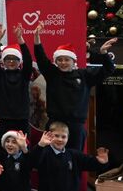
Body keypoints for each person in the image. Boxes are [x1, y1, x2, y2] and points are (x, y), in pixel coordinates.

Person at [33, 22, 116, 151]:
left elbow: (108, 69)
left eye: (67, 59)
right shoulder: (52, 74)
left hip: (76, 127)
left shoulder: (85, 75)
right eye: (59, 60)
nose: (63, 63)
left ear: (73, 61)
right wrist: (37, 38)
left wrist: (103, 53)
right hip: (54, 125)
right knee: (50, 160)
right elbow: (41, 58)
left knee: (75, 161)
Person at [0, 23, 33, 136]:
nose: (11, 61)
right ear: (3, 61)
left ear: (19, 61)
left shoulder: (24, 75)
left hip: (21, 119)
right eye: (8, 59)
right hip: (2, 118)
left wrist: (20, 39)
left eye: (15, 59)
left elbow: (28, 60)